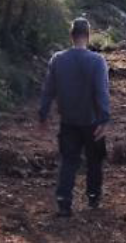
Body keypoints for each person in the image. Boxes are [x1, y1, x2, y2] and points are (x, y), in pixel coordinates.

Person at [38, 17, 111, 217]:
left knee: (69, 161)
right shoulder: (97, 61)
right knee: (94, 160)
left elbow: (48, 90)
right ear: (88, 36)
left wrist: (43, 114)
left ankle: (63, 202)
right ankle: (93, 197)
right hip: (92, 121)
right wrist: (105, 118)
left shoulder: (58, 59)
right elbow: (101, 91)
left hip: (68, 121)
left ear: (71, 35)